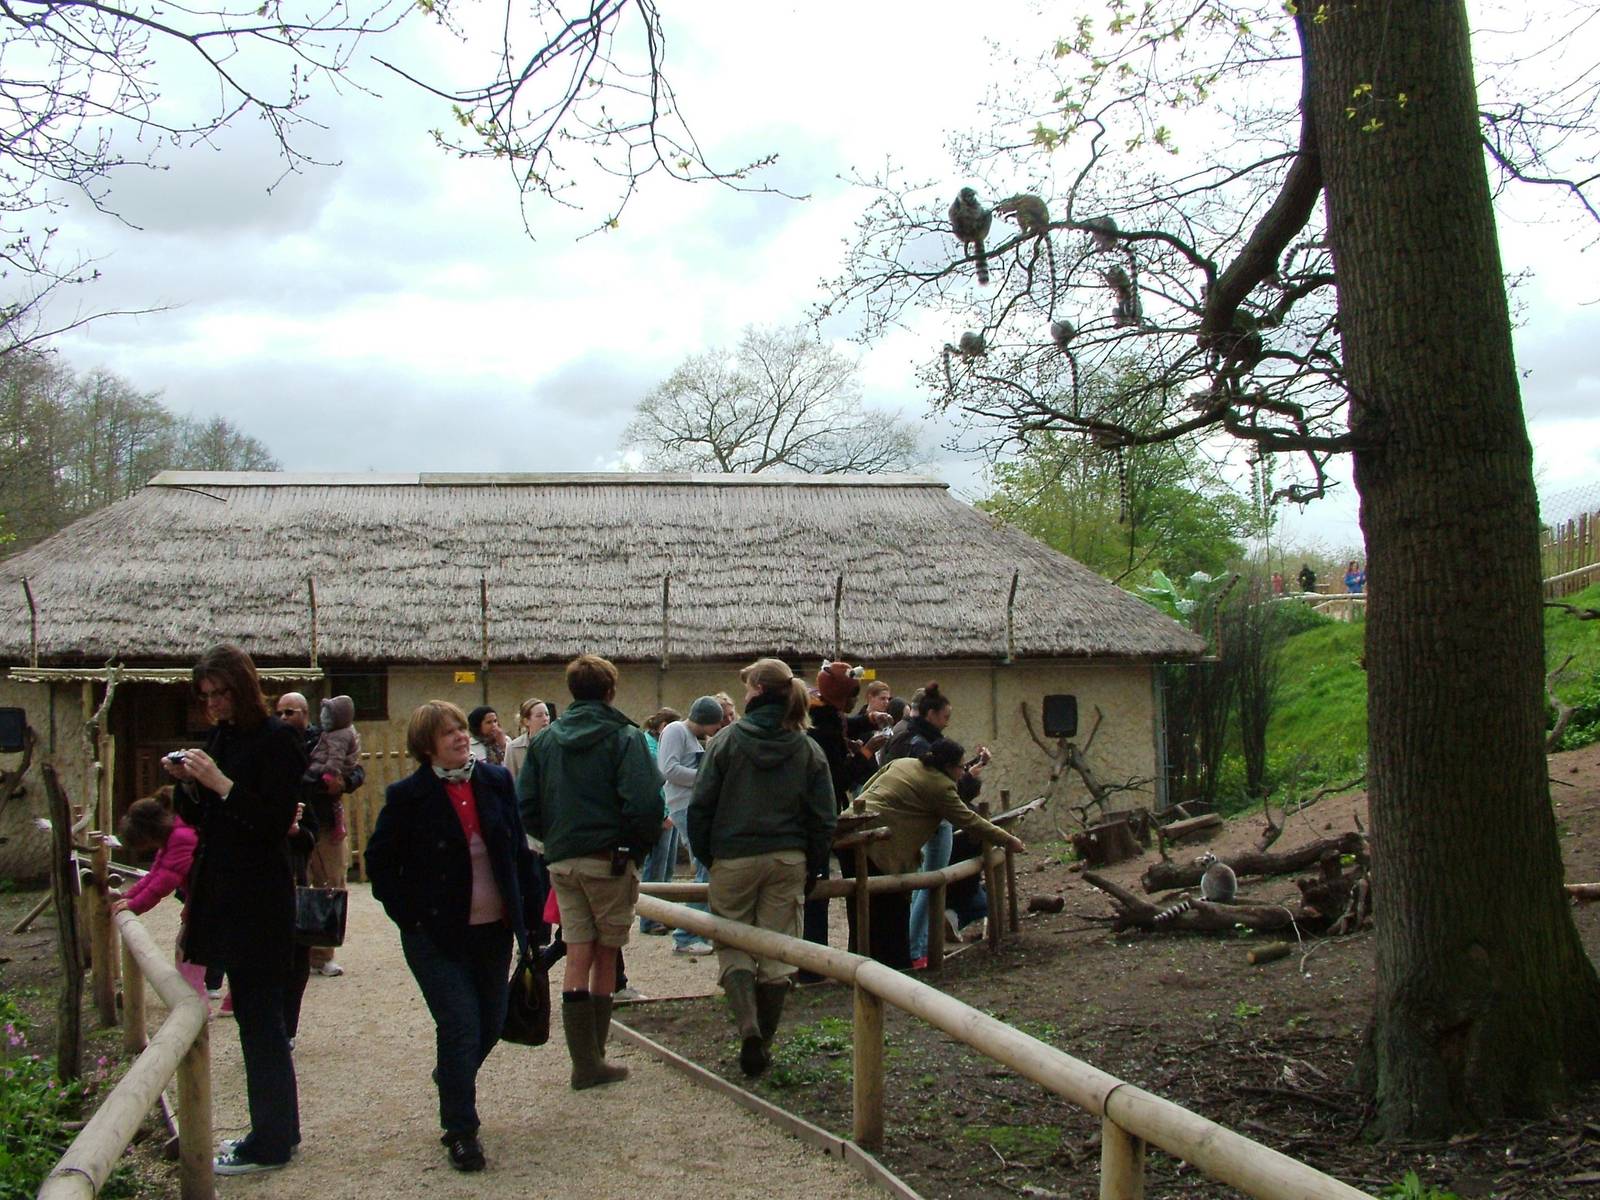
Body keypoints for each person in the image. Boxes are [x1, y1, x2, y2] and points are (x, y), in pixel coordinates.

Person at [364, 700, 541, 1173]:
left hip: (493, 931)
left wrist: (531, 916)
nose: (461, 737)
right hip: (437, 936)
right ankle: (461, 1129)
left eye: (462, 729)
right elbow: (380, 863)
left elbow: (519, 854)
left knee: (490, 1021)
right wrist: (410, 918)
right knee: (461, 1024)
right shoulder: (408, 796)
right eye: (449, 734)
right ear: (426, 747)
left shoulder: (496, 780)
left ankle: (452, 1074)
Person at [165, 644, 305, 1176]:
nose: (213, 705)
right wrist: (189, 784)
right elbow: (205, 818)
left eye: (220, 693)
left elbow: (272, 824)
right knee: (253, 1015)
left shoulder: (279, 740)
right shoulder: (222, 736)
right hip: (223, 891)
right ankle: (278, 1131)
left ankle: (269, 1141)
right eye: (205, 697)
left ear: (242, 688)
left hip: (260, 897)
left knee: (260, 1020)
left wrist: (220, 783)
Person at [518, 654, 662, 1090]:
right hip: (610, 858)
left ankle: (585, 1060)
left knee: (576, 951)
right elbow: (644, 802)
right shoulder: (625, 737)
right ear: (610, 690)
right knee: (605, 954)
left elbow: (526, 804)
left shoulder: (544, 741)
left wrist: (557, 839)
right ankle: (591, 1061)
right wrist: (636, 848)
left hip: (562, 859)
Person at [688, 658, 835, 1077]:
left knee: (732, 941)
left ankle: (747, 1025)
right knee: (777, 950)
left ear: (756, 691)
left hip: (733, 856)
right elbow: (824, 816)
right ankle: (763, 1042)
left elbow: (701, 807)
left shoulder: (725, 742)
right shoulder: (807, 747)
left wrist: (710, 856)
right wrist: (813, 865)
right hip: (787, 858)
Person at [854, 739, 1024, 968]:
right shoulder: (941, 787)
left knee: (861, 909)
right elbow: (970, 821)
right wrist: (1008, 839)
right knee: (889, 909)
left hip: (853, 827)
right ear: (947, 766)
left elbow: (869, 786)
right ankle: (896, 965)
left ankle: (863, 961)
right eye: (960, 767)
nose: (964, 771)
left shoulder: (905, 763)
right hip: (878, 845)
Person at [881, 683, 990, 968]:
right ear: (931, 714)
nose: (947, 722)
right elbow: (938, 789)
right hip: (925, 819)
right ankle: (915, 949)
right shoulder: (917, 743)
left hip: (916, 817)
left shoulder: (915, 736)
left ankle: (916, 944)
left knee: (923, 884)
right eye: (944, 717)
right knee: (929, 883)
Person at [274, 691, 364, 980]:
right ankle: (294, 950)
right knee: (293, 886)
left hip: (324, 823)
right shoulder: (273, 741)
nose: (284, 718)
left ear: (305, 714)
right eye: (280, 713)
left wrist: (344, 783)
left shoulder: (324, 737)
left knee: (330, 884)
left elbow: (356, 769)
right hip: (287, 826)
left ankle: (323, 954)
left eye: (290, 712)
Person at [110, 791, 208, 999]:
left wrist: (135, 905)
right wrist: (129, 897)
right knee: (190, 949)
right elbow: (155, 872)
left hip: (212, 898)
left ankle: (196, 1003)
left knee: (189, 952)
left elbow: (165, 880)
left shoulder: (180, 837)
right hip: (201, 898)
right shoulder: (173, 835)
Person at [654, 696, 724, 954]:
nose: (718, 728)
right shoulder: (675, 730)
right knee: (705, 868)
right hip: (684, 806)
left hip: (695, 806)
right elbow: (669, 769)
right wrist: (706, 778)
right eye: (716, 722)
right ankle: (686, 935)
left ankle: (699, 930)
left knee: (707, 868)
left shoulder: (694, 739)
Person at [636, 708, 680, 938]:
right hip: (660, 815)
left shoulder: (660, 746)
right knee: (656, 867)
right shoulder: (648, 748)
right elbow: (655, 785)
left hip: (670, 811)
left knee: (668, 867)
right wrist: (663, 814)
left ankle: (664, 914)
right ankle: (649, 919)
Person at [303, 695, 361, 790]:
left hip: (326, 776)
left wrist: (331, 777)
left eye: (289, 712)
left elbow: (337, 758)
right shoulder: (332, 732)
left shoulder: (339, 735)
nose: (284, 717)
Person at [503, 697, 552, 783]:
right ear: (526, 721)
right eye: (539, 716)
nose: (545, 719)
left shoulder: (556, 743)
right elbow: (510, 780)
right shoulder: (514, 747)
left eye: (547, 714)